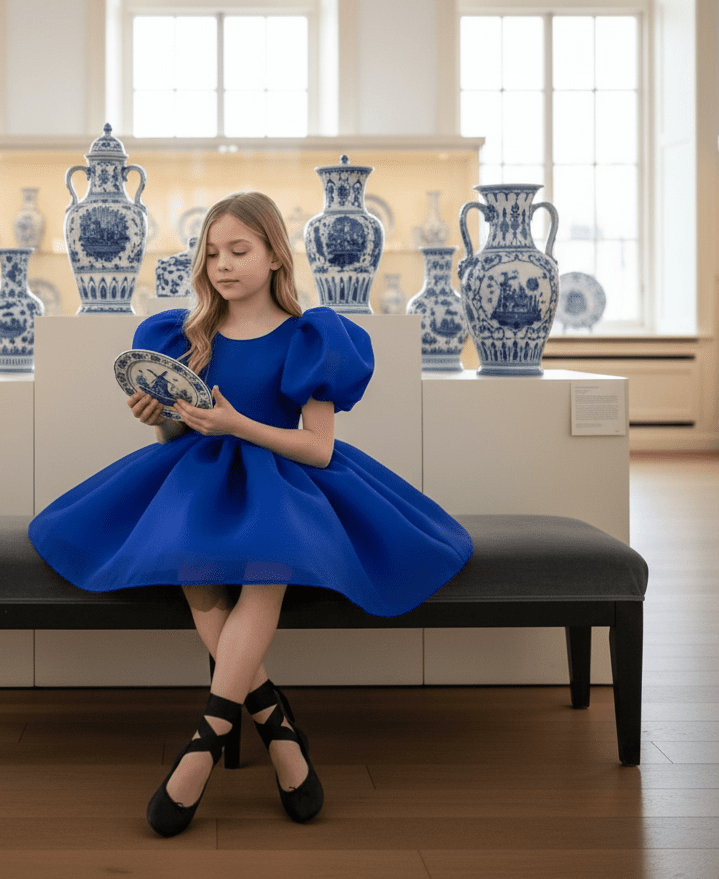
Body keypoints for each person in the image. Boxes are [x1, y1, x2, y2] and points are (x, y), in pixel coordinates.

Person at [28, 191, 473, 837]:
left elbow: (318, 448)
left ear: (273, 256)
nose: (223, 266)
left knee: (272, 549)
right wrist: (165, 419)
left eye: (239, 251)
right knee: (183, 537)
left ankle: (204, 744)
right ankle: (275, 725)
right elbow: (178, 438)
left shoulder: (311, 336)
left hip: (282, 478)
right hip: (199, 476)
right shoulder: (187, 337)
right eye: (211, 253)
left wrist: (239, 422)